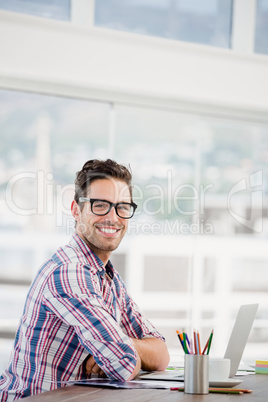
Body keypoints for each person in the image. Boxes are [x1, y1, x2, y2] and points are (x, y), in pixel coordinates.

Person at [0, 159, 169, 400]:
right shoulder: (70, 272)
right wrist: (120, 352)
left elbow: (161, 355)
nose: (113, 217)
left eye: (122, 207)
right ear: (76, 210)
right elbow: (125, 365)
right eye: (100, 205)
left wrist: (121, 344)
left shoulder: (106, 275)